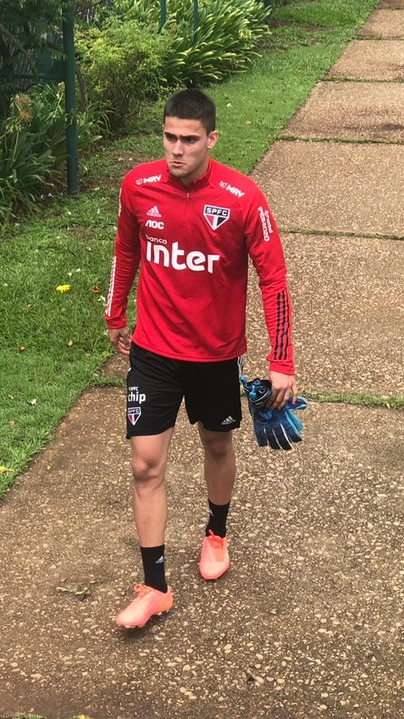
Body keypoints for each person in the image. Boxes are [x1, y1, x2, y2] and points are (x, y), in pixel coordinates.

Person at [104, 89, 297, 629]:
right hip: (153, 352)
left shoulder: (243, 198)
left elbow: (273, 278)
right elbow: (126, 250)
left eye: (189, 140)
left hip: (215, 355)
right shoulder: (138, 186)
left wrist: (281, 358)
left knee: (216, 443)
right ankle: (154, 586)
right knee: (145, 464)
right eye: (169, 137)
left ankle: (216, 532)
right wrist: (115, 313)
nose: (177, 150)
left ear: (212, 139)